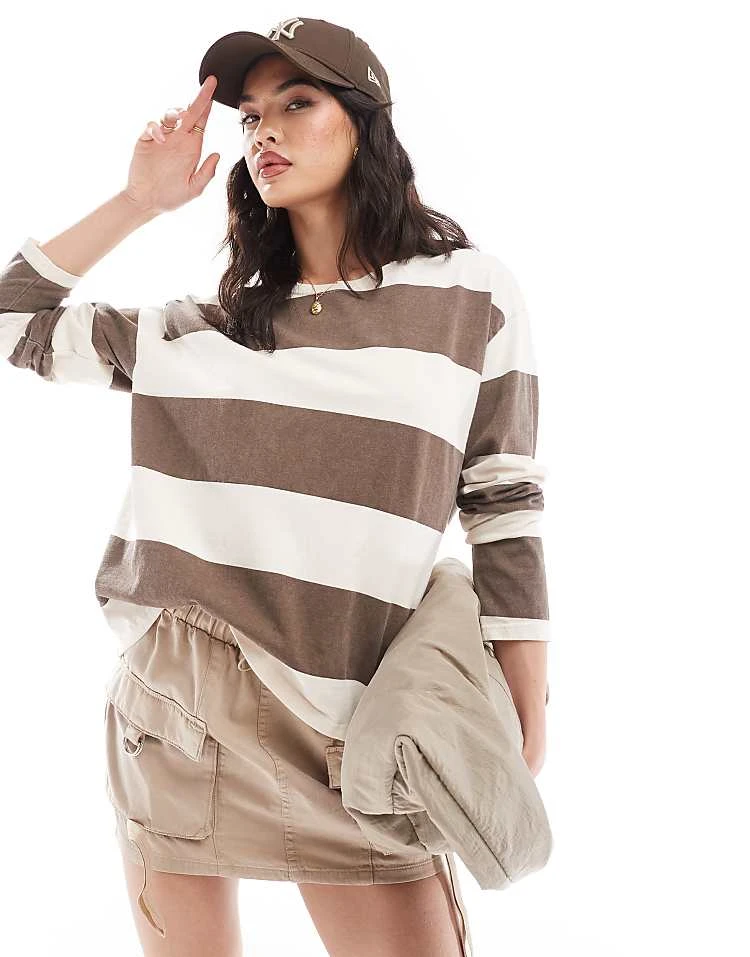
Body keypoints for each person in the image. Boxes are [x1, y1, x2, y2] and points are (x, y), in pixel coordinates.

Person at [0, 17, 549, 957]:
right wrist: (139, 201)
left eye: (298, 103)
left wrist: (525, 692)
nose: (265, 133)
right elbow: (14, 319)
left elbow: (502, 497)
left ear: (364, 124)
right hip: (178, 716)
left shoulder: (469, 296)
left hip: (357, 726)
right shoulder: (202, 331)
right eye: (251, 116)